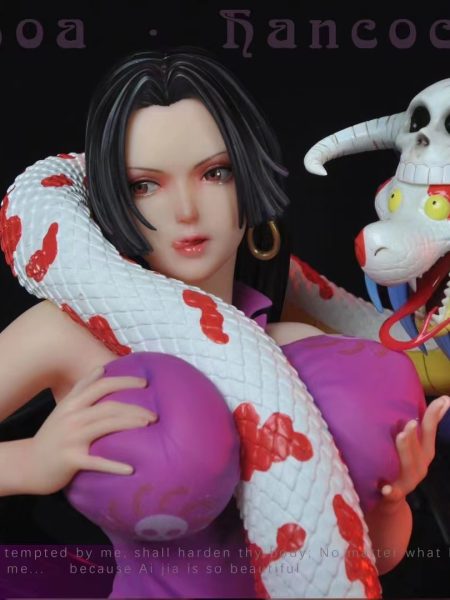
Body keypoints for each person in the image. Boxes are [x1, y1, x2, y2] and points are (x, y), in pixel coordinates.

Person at [0, 47, 448, 598]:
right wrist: (27, 462)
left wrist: (393, 496)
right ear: (112, 194)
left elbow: (375, 559)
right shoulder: (68, 335)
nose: (186, 210)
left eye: (215, 173)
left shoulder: (301, 350)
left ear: (250, 174)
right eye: (145, 185)